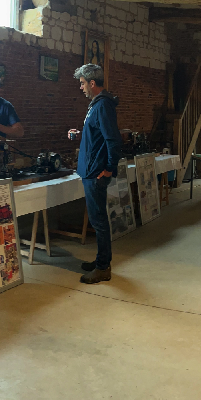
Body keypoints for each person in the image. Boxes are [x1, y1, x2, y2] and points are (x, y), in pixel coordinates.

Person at [66, 64, 120, 284]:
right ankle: (100, 260)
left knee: (99, 222)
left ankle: (103, 267)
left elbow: (113, 140)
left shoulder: (103, 105)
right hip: (91, 170)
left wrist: (108, 169)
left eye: (82, 83)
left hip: (96, 172)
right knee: (97, 220)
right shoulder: (97, 105)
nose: (81, 87)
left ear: (92, 83)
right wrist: (81, 134)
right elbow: (98, 135)